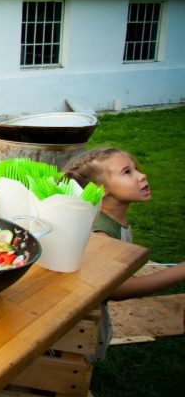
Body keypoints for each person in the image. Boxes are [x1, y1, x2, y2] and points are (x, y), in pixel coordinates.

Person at [63, 147, 185, 359]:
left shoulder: (115, 219)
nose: (142, 175)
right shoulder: (101, 233)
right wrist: (180, 271)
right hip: (81, 322)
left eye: (135, 168)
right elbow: (117, 289)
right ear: (101, 189)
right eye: (127, 172)